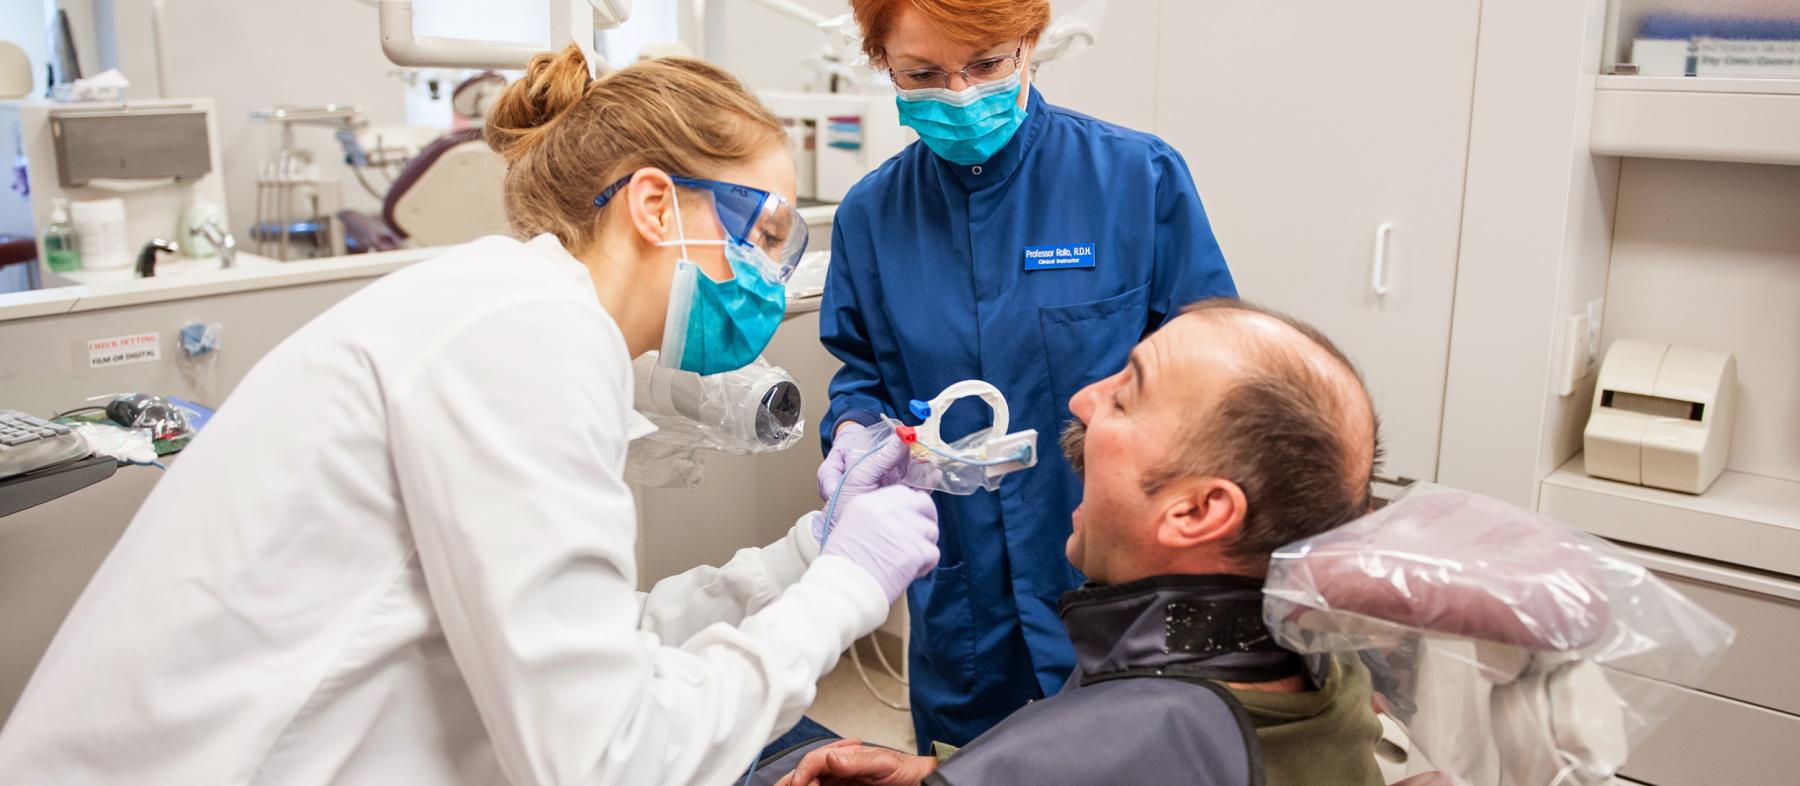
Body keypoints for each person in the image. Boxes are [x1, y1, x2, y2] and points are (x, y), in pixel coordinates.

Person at [0, 47, 941, 785]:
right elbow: (612, 759)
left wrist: (808, 552)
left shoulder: (504, 310)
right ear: (655, 203)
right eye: (768, 233)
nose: (778, 277)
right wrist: (846, 592)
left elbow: (593, 645)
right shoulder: (527, 336)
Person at [817, 0, 1239, 749]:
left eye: (985, 64)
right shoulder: (871, 215)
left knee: (1123, 757)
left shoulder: (1135, 179)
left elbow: (1211, 375)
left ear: (1030, 45)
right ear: (883, 63)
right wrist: (855, 426)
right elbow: (862, 373)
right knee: (961, 759)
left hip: (1113, 576)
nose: (960, 94)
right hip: (963, 592)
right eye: (923, 73)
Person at [771, 299, 1387, 786]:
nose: (1082, 400)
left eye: (1124, 396)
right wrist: (943, 771)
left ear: (1198, 510)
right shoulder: (1309, 659)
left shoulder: (1143, 735)